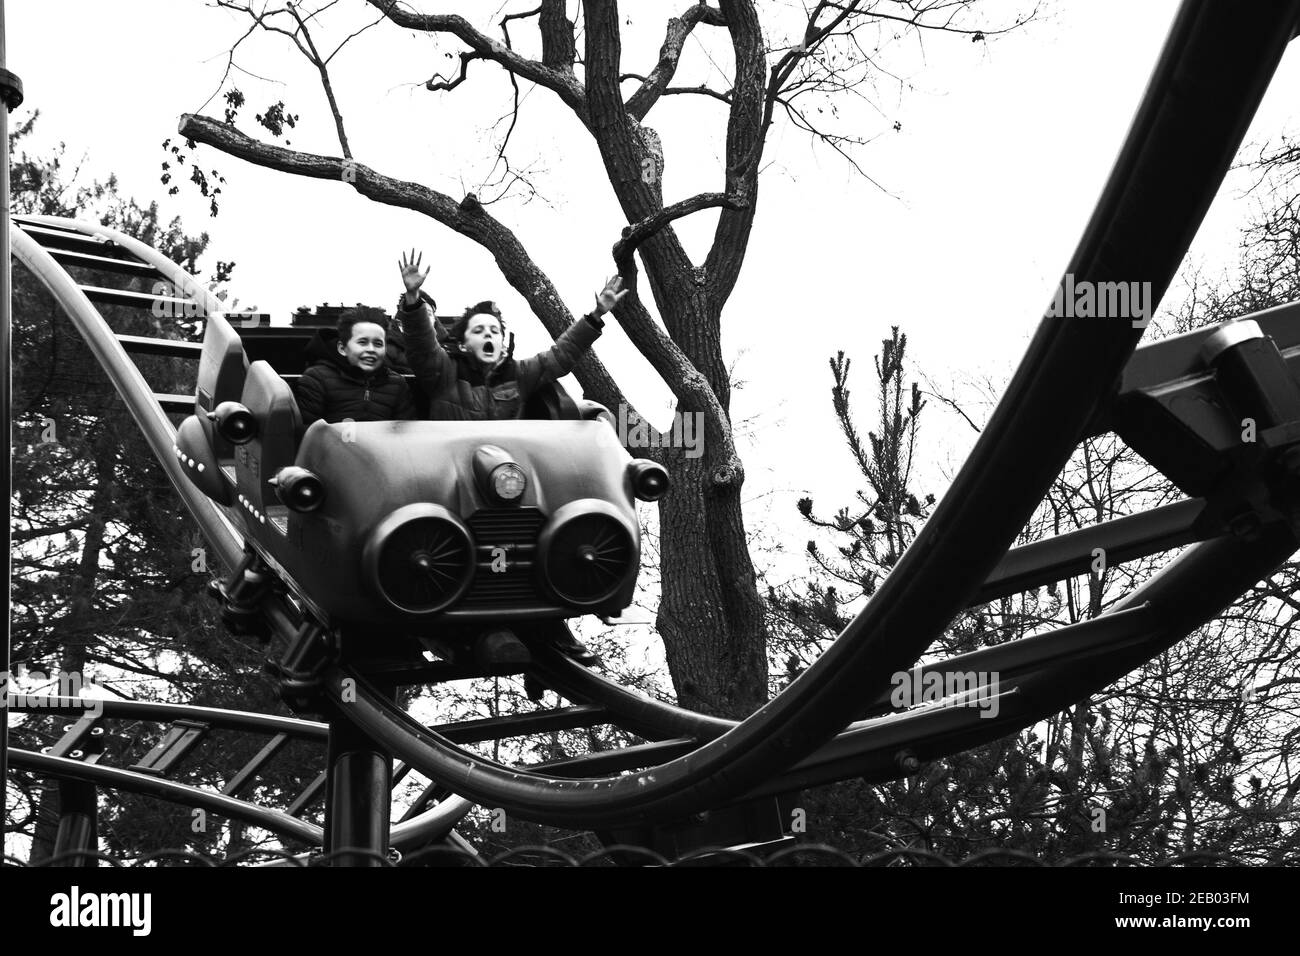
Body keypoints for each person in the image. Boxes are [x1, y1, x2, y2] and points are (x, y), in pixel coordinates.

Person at [394, 249, 626, 421]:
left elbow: (561, 356)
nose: (488, 335)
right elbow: (421, 346)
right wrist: (413, 300)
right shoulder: (444, 371)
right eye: (478, 330)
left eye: (494, 331)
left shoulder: (519, 374)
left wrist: (596, 315)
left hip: (508, 475)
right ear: (463, 344)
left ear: (502, 343)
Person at [296, 307, 417, 426]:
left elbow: (405, 436)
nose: (371, 349)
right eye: (362, 342)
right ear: (342, 348)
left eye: (378, 344)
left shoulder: (397, 384)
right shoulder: (317, 379)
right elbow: (307, 433)